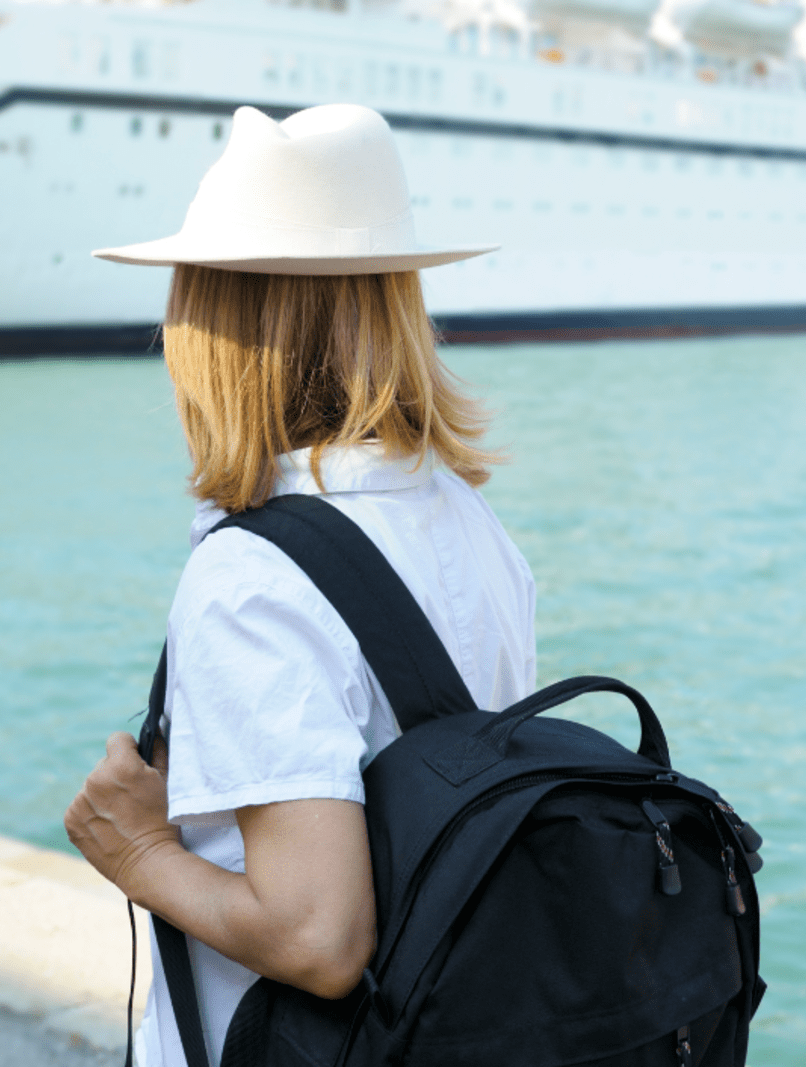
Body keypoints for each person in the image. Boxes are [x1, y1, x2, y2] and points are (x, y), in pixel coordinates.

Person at [62, 104, 535, 1067]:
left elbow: (320, 936)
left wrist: (139, 852)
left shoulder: (250, 574)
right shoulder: (464, 514)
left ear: (212, 324)